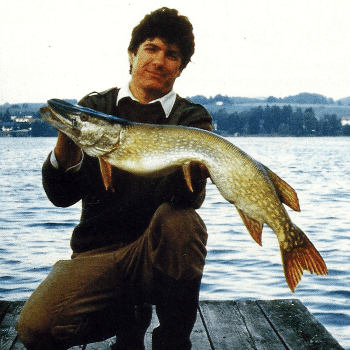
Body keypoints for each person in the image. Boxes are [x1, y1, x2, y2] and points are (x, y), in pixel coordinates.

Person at [16, 7, 212, 350]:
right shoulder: (96, 105)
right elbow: (60, 197)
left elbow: (189, 201)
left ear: (180, 68)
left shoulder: (191, 117)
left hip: (155, 254)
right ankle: (128, 316)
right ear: (132, 54)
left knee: (183, 222)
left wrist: (194, 170)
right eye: (151, 48)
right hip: (97, 254)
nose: (159, 60)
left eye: (172, 54)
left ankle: (172, 341)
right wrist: (68, 137)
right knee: (36, 328)